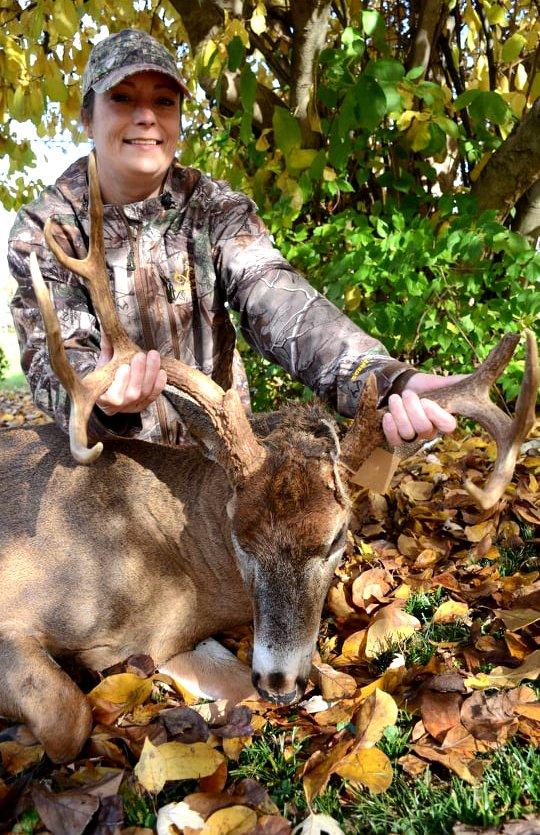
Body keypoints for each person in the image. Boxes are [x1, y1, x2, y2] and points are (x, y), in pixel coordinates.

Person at [9, 28, 460, 451]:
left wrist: (385, 381)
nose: (146, 116)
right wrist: (102, 396)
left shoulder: (215, 208)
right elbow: (53, 362)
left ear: (179, 122)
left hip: (223, 462)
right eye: (122, 99)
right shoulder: (45, 230)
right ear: (87, 118)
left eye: (164, 102)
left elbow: (283, 305)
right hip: (115, 473)